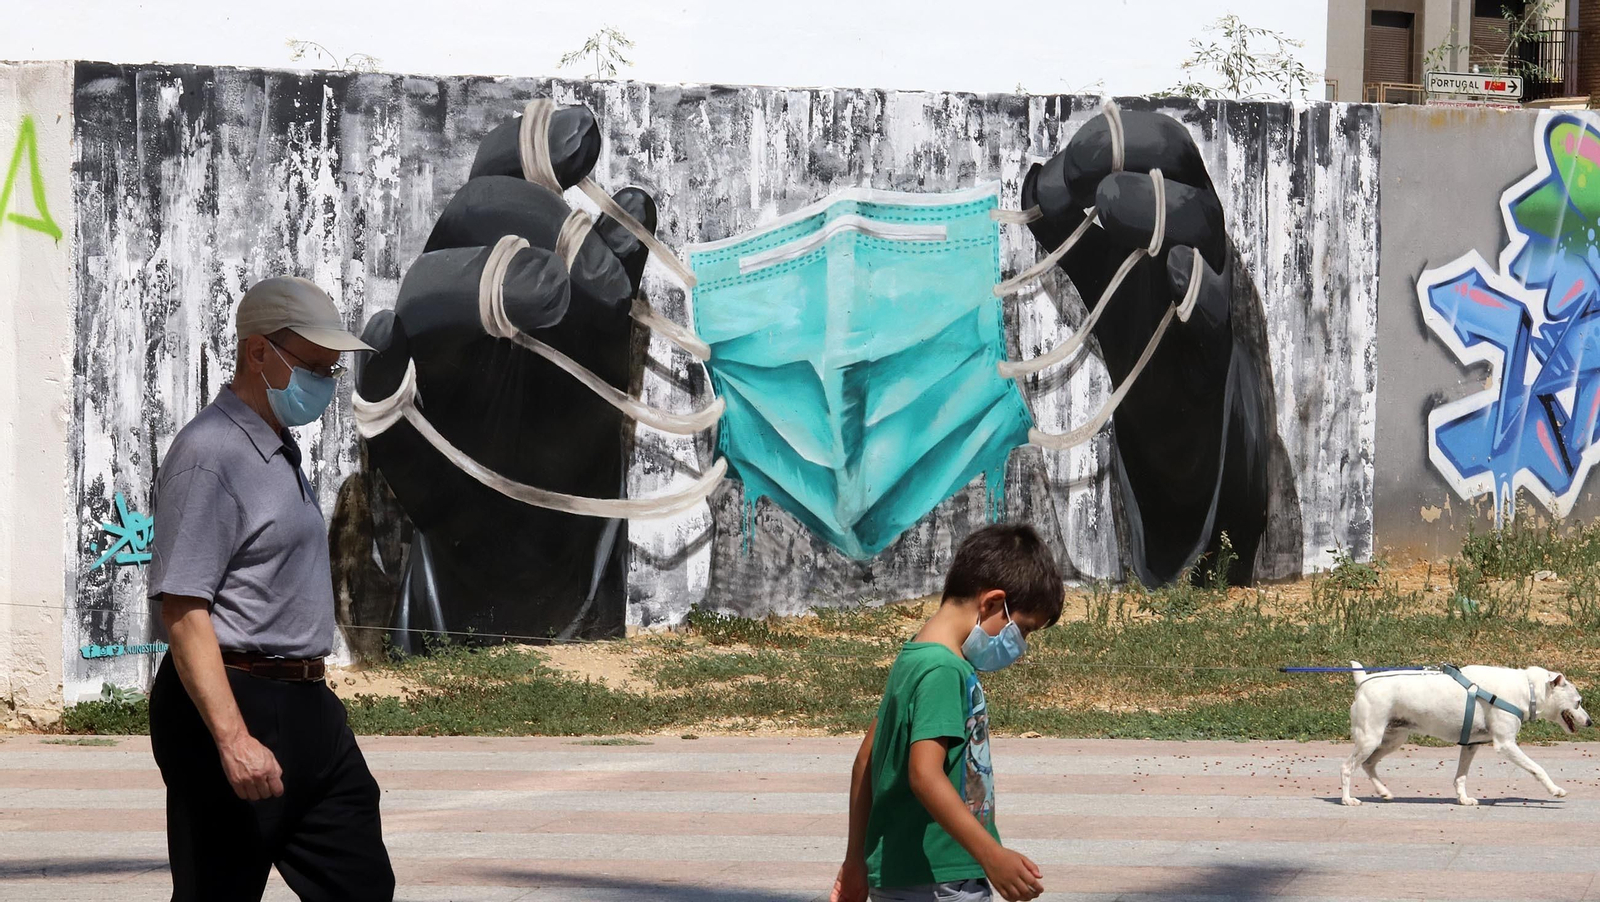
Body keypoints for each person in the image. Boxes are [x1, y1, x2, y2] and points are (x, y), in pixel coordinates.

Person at [146, 277, 395, 902]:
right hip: (233, 703)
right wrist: (232, 740)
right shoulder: (210, 454)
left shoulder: (278, 446)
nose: (325, 384)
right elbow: (182, 609)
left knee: (361, 885)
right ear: (258, 354)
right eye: (313, 366)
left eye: (331, 370)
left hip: (307, 704)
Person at [831, 523, 1064, 902]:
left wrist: (855, 861)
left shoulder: (916, 655)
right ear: (991, 603)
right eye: (1023, 630)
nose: (1021, 646)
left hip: (905, 876)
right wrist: (991, 855)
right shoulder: (943, 670)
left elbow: (865, 760)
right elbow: (924, 774)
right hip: (940, 879)